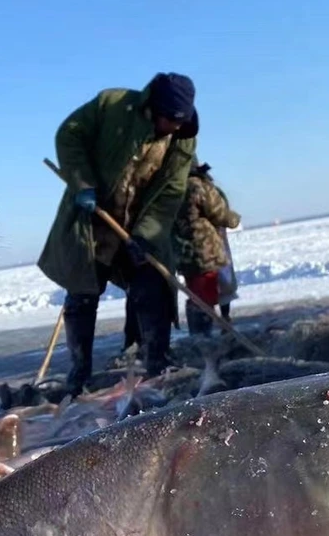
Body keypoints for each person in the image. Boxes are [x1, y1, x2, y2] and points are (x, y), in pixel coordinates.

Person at [38, 73, 199, 395]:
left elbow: (171, 191)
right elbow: (70, 135)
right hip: (94, 221)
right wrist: (82, 183)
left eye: (180, 122)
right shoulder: (112, 105)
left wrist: (146, 234)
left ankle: (158, 363)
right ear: (154, 108)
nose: (174, 128)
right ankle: (79, 373)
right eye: (170, 120)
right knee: (82, 296)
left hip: (139, 226)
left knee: (153, 286)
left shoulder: (182, 138)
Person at [172, 160, 242, 336]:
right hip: (206, 251)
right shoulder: (196, 185)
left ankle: (200, 335)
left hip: (183, 253)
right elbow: (220, 214)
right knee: (206, 297)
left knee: (197, 295)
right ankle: (203, 339)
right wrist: (234, 219)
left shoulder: (169, 186)